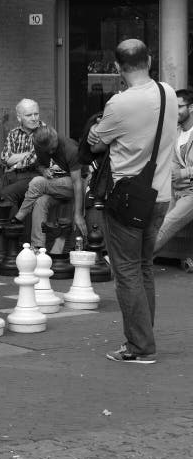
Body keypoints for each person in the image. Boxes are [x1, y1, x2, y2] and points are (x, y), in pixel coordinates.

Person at [87, 39, 175, 364]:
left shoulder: (119, 104)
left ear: (116, 68)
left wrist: (98, 130)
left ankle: (139, 346)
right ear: (149, 60)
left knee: (126, 271)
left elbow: (96, 144)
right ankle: (144, 337)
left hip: (126, 200)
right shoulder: (167, 93)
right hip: (161, 196)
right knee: (144, 267)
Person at [10, 125, 87, 248]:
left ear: (55, 137)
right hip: (61, 184)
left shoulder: (70, 149)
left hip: (80, 183)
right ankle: (38, 247)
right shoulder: (40, 145)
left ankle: (18, 218)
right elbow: (40, 165)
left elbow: (77, 183)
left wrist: (78, 215)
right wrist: (44, 170)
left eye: (53, 148)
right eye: (48, 150)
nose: (51, 152)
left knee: (38, 182)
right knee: (40, 201)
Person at [153, 88, 193, 271]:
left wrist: (184, 174)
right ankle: (139, 261)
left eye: (179, 106)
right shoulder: (177, 132)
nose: (175, 111)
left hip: (191, 193)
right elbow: (173, 163)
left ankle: (129, 262)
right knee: (156, 221)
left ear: (191, 108)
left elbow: (181, 171)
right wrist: (177, 176)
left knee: (167, 223)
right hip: (177, 189)